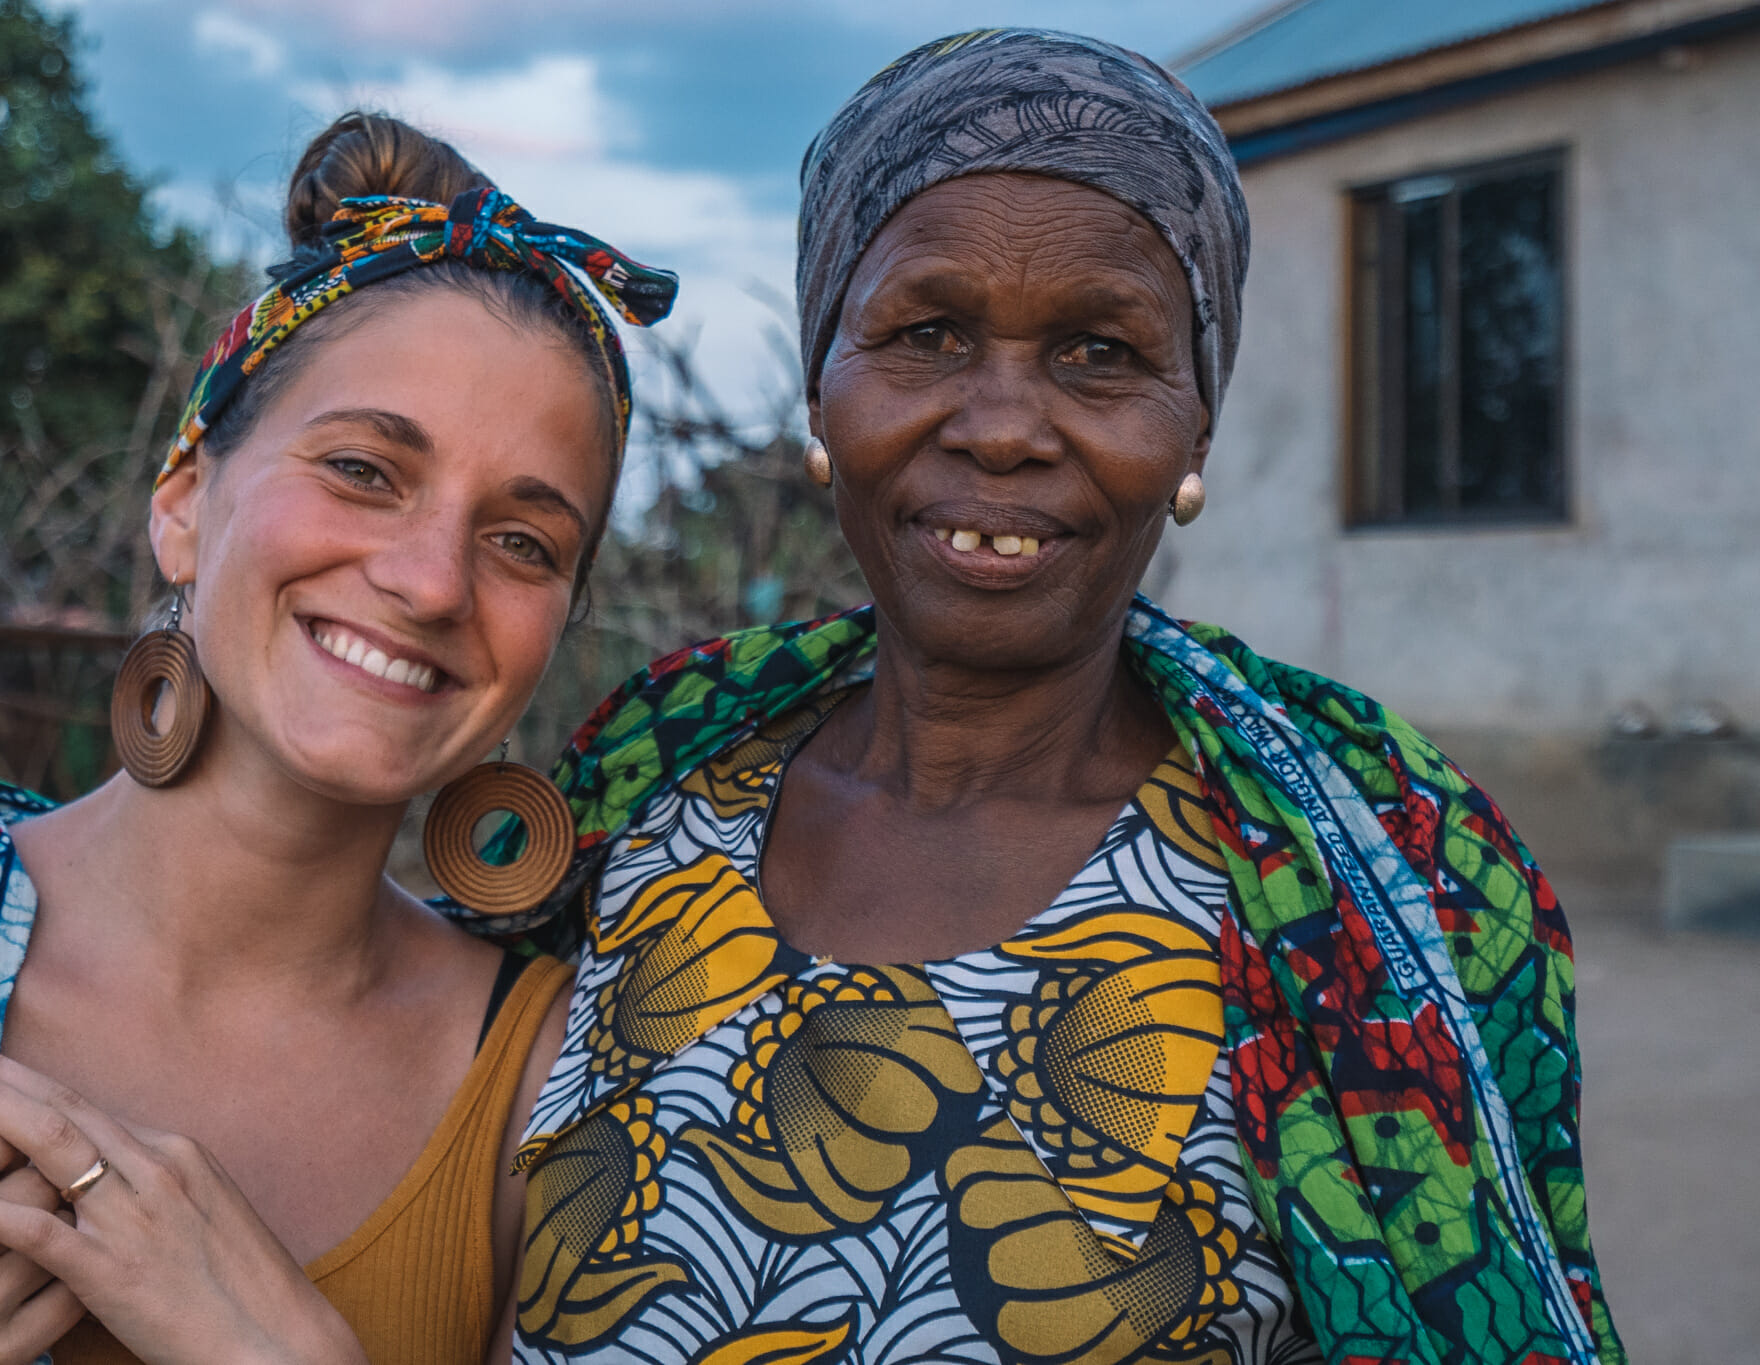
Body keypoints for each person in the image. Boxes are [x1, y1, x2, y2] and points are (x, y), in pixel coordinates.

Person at [478, 31, 1627, 1365]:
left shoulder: (1377, 884)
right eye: (925, 333)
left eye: (1097, 350)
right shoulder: (647, 793)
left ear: (1194, 424)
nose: (1004, 424)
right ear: (821, 384)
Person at [0, 110, 676, 1364]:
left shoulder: (557, 1081)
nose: (433, 582)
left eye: (522, 542)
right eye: (362, 471)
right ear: (182, 501)